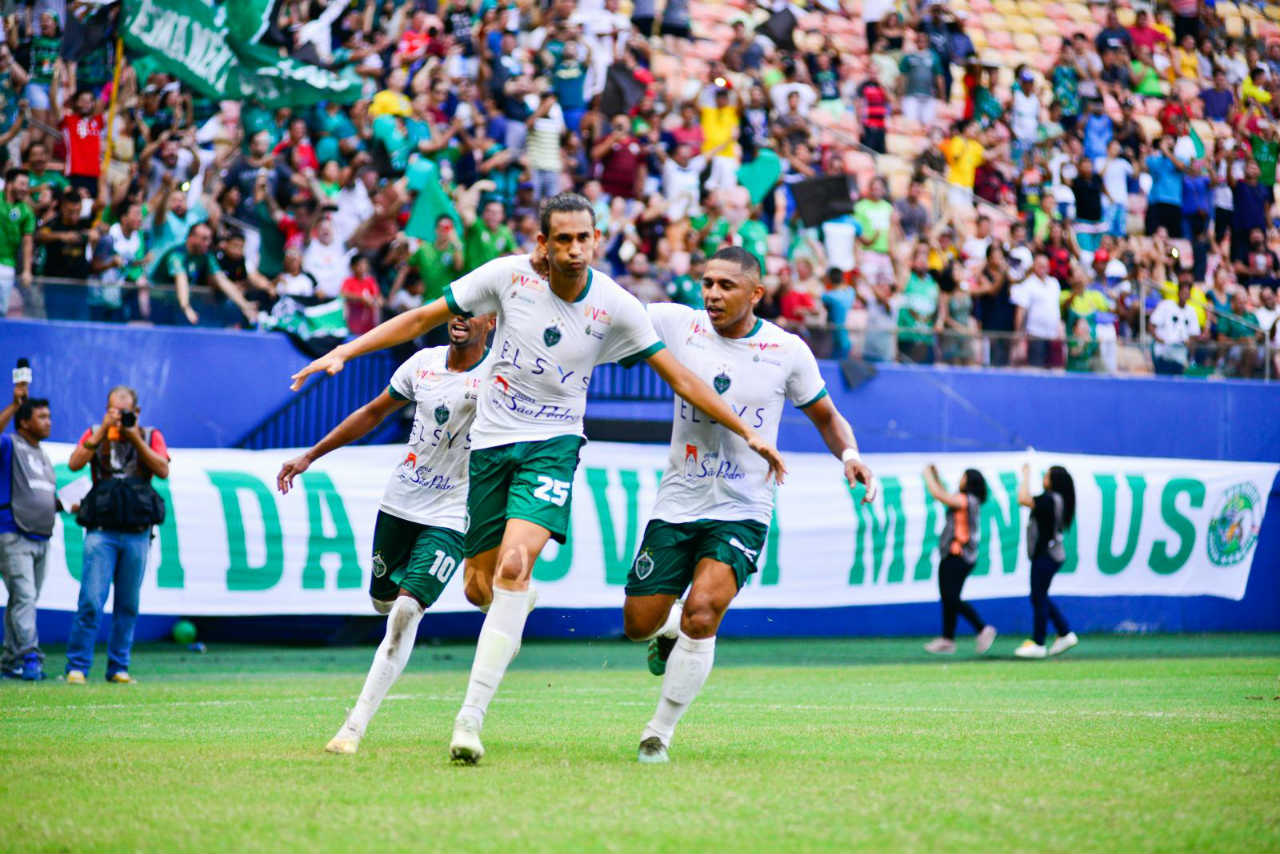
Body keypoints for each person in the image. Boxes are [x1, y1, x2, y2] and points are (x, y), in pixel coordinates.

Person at [288, 193, 786, 764]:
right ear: (542, 245)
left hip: (552, 447)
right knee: (482, 588)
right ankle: (515, 605)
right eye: (564, 240)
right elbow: (423, 317)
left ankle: (469, 721)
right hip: (491, 448)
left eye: (585, 238)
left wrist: (747, 433)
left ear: (597, 240)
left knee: (514, 565)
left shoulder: (617, 306)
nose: (576, 250)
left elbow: (683, 380)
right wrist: (346, 351)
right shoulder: (506, 278)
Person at [620, 246, 876, 763]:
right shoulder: (675, 323)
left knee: (704, 612)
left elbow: (826, 416)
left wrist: (849, 454)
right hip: (678, 501)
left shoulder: (787, 351)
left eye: (726, 286)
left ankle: (659, 732)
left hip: (743, 505)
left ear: (755, 294)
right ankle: (666, 630)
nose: (712, 294)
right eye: (707, 282)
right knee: (638, 624)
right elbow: (609, 309)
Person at [277, 313, 495, 754]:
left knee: (405, 612)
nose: (460, 316)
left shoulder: (498, 378)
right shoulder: (422, 364)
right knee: (382, 601)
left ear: (491, 321)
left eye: (473, 310)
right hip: (400, 501)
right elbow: (374, 412)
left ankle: (353, 728)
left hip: (453, 513)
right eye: (456, 307)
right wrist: (310, 456)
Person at [65, 386, 171, 683]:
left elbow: (163, 470)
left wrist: (134, 436)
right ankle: (77, 666)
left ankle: (118, 666)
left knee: (128, 604)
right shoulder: (95, 433)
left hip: (137, 533)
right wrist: (102, 432)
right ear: (106, 410)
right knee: (90, 600)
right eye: (113, 410)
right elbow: (74, 464)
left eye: (124, 412)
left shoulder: (150, 435)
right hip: (101, 532)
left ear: (136, 412)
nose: (119, 416)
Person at [0, 388, 56, 681]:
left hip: (40, 536)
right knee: (24, 596)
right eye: (42, 417)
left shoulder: (42, 454)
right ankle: (29, 657)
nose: (48, 422)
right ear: (23, 423)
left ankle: (10, 660)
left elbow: (40, 493)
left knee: (23, 599)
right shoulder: (10, 445)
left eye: (49, 416)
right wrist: (13, 405)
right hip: (13, 531)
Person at [921, 464, 995, 656]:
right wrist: (936, 476)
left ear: (969, 481)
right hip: (956, 555)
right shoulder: (968, 500)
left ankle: (982, 628)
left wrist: (928, 476)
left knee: (951, 597)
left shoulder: (967, 500)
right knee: (948, 597)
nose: (960, 480)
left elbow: (939, 495)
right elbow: (946, 493)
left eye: (963, 477)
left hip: (958, 554)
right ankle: (947, 639)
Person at [1015, 463, 1078, 659]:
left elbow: (1023, 499)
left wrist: (1026, 474)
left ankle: (1039, 642)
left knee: (1038, 596)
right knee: (1038, 596)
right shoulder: (1057, 499)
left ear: (1054, 481)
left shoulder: (1050, 499)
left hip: (1047, 555)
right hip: (1049, 554)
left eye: (1047, 476)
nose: (1044, 479)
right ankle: (1064, 632)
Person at [0, 168, 36, 317]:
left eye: (27, 185)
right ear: (9, 184)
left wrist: (27, 270)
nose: (25, 189)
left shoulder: (25, 211)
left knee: (2, 311)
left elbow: (27, 242)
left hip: (7, 264)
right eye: (21, 184)